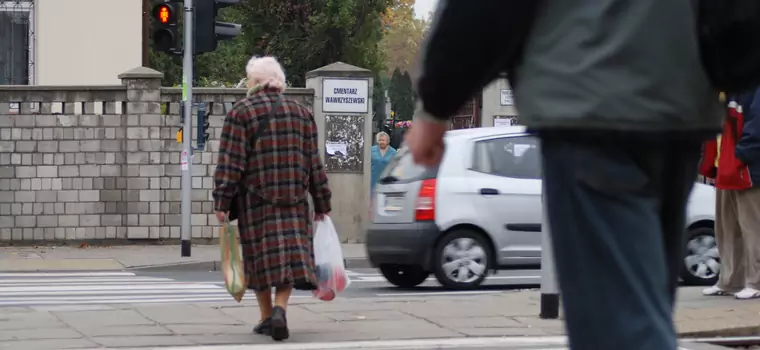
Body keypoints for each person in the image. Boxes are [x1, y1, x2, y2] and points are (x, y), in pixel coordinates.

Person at [405, 1, 722, 349]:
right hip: (681, 101)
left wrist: (436, 103)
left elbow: (485, 12)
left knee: (619, 325)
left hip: (587, 104)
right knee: (643, 302)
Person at [212, 56, 332, 341]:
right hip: (294, 200)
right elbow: (314, 163)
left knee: (260, 260)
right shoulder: (301, 113)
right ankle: (277, 310)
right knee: (289, 259)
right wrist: (322, 202)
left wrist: (222, 202)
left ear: (255, 82)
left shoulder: (241, 113)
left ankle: (267, 315)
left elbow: (231, 164)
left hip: (256, 202)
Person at [700, 88, 760, 300]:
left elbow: (756, 128)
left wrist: (740, 158)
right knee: (726, 229)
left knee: (752, 227)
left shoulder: (752, 88)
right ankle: (730, 280)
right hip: (724, 168)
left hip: (746, 170)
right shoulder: (723, 91)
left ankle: (756, 282)